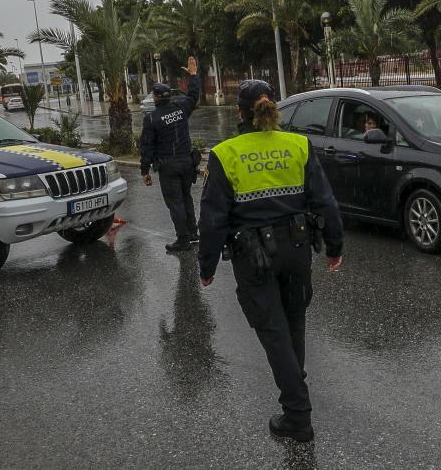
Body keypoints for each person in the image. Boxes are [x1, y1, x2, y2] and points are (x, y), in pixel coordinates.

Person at [197, 80, 345, 442]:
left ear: (240, 112)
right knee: (293, 323)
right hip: (296, 249)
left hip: (254, 256)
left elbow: (213, 217)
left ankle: (297, 416)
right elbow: (325, 201)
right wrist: (334, 246)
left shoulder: (226, 153)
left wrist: (207, 266)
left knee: (274, 333)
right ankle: (295, 383)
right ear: (273, 108)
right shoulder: (298, 144)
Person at [140, 56, 202, 252]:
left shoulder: (152, 119)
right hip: (186, 163)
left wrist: (145, 171)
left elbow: (147, 147)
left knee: (175, 203)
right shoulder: (181, 108)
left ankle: (183, 240)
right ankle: (193, 233)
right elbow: (193, 95)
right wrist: (193, 75)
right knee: (186, 198)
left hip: (169, 166)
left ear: (157, 98)